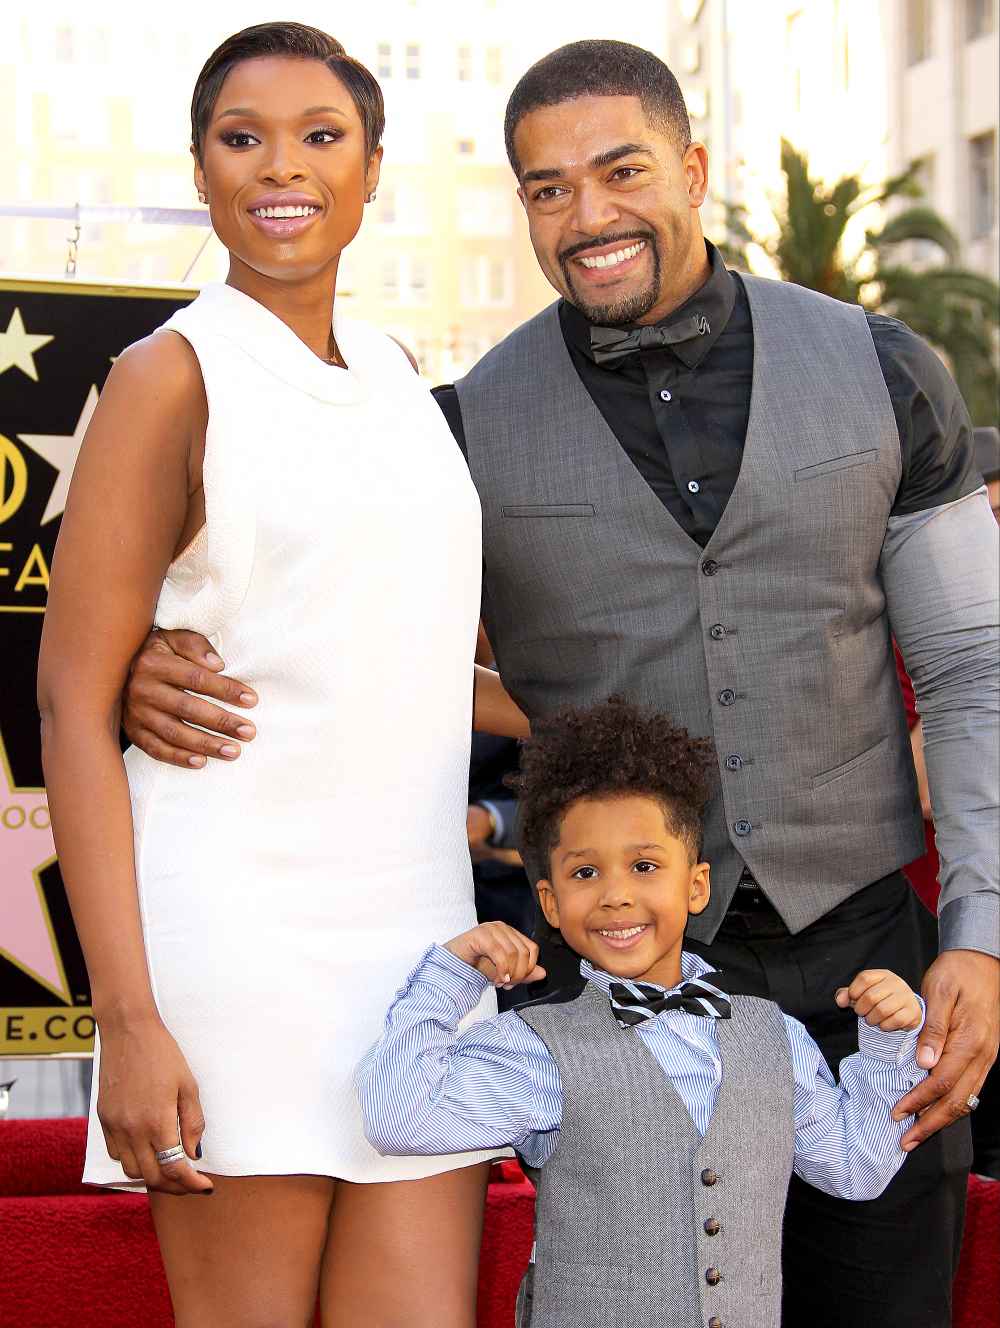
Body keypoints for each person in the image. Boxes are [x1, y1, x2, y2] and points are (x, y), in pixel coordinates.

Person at [116, 39, 998, 1326]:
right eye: (545, 188)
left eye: (620, 170)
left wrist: (979, 930)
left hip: (865, 963)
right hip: (615, 970)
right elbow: (343, 630)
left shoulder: (883, 368)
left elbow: (973, 668)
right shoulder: (455, 428)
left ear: (693, 169)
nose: (586, 216)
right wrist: (159, 655)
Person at [36, 23, 528, 1328]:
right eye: (240, 138)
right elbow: (72, 708)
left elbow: (409, 660)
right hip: (234, 949)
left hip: (423, 947)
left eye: (321, 136)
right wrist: (126, 1020)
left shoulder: (396, 378)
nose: (281, 168)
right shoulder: (165, 376)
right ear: (201, 169)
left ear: (372, 169)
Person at [357, 698, 929, 1328]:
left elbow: (858, 1170)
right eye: (584, 872)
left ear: (697, 885)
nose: (616, 894)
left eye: (646, 865)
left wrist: (885, 1042)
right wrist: (450, 975)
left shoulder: (775, 1036)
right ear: (549, 902)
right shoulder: (535, 1048)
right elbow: (397, 1115)